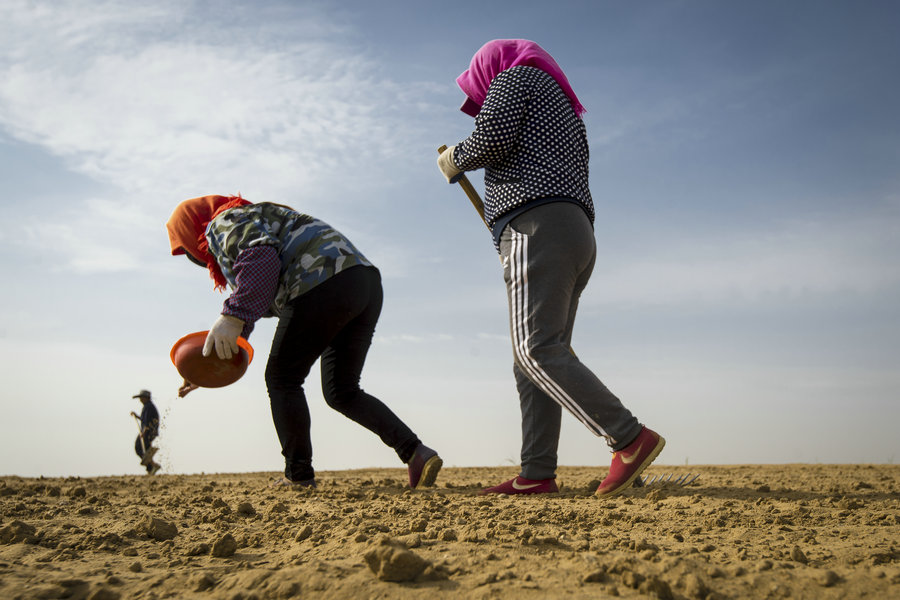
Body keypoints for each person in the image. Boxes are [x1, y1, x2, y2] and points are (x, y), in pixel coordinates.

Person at [437, 39, 665, 497]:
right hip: (574, 231)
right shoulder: (563, 108)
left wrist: (455, 158)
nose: (479, 97)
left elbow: (492, 139)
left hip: (536, 224)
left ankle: (628, 437)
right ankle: (536, 473)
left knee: (536, 349)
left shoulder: (514, 77)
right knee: (538, 356)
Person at [166, 195, 442, 489]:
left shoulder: (223, 221)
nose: (196, 257)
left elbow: (260, 260)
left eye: (188, 250)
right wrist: (208, 366)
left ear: (190, 228)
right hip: (362, 282)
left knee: (282, 378)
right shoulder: (257, 217)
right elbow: (257, 291)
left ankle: (298, 475)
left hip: (321, 279)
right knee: (342, 391)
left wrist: (232, 315)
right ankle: (416, 452)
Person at [131, 390, 161, 475]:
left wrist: (144, 431)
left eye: (141, 398)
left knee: (139, 447)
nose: (140, 399)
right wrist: (136, 416)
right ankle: (150, 468)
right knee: (146, 450)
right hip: (149, 431)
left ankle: (153, 465)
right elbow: (144, 419)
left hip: (148, 431)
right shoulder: (147, 406)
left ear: (146, 398)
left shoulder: (149, 406)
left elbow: (148, 421)